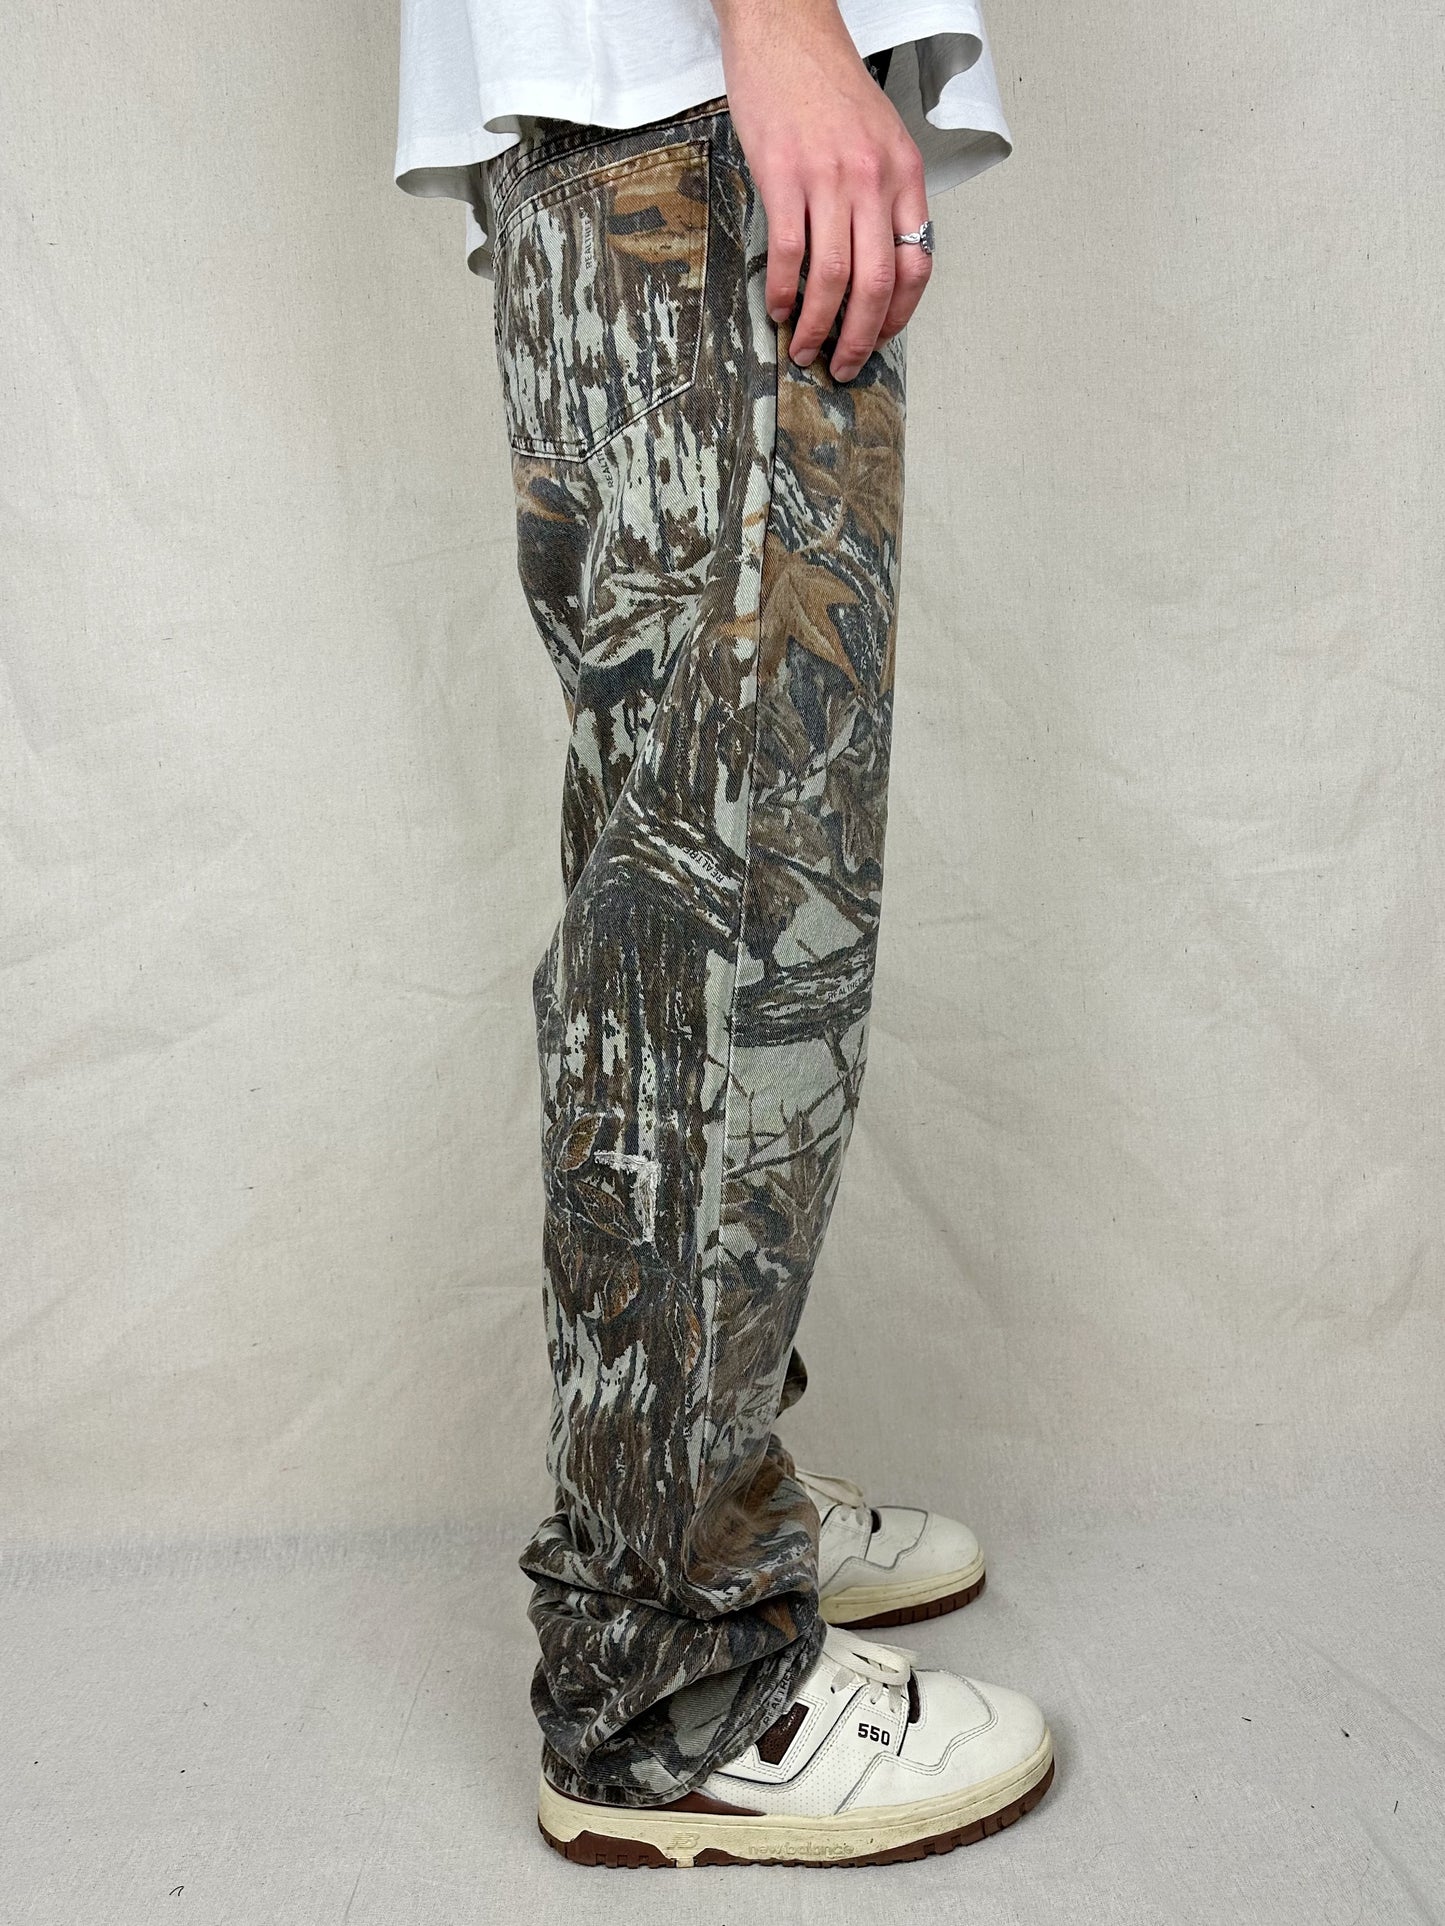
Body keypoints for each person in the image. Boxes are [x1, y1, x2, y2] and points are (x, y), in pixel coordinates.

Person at [395, 0, 1055, 1869]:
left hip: (632, 124)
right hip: (688, 101)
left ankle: (709, 1489)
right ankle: (678, 1666)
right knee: (735, 905)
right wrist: (777, 25)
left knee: (681, 862)